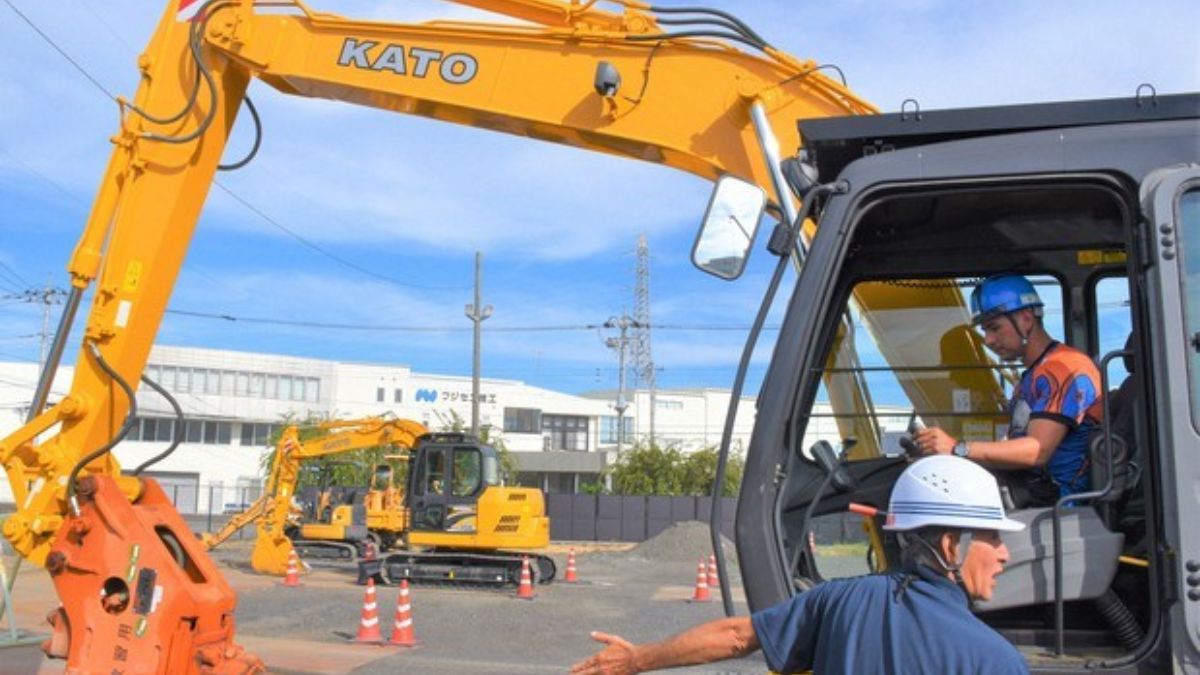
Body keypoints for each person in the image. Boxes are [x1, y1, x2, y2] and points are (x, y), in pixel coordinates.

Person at [570, 455, 1030, 675]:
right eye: (993, 538)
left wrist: (635, 659)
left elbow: (735, 637)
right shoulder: (994, 661)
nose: (1005, 553)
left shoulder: (839, 600)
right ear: (951, 545)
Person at [914, 274, 1100, 507]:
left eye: (994, 328)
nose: (989, 340)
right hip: (1032, 491)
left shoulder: (1064, 369)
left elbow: (1037, 450)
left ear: (1026, 319)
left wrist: (957, 448)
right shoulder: (1031, 377)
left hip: (1058, 506)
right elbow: (1014, 442)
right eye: (985, 330)